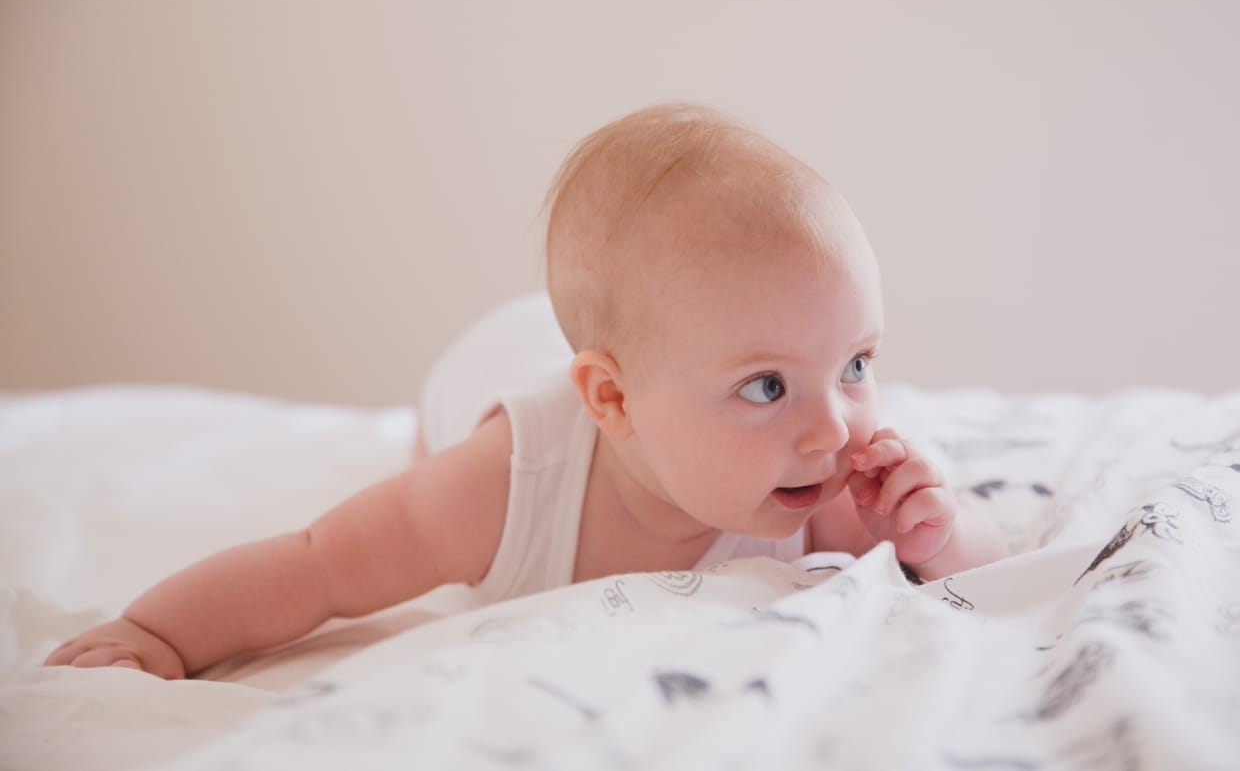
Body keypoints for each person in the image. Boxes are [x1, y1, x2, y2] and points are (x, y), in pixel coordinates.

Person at [45, 103, 1009, 680]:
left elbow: (973, 579)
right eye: (767, 385)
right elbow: (314, 567)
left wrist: (935, 529)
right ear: (614, 401)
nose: (831, 428)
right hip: (484, 369)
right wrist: (155, 633)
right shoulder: (505, 483)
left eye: (856, 363)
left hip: (619, 352)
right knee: (411, 495)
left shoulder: (817, 472)